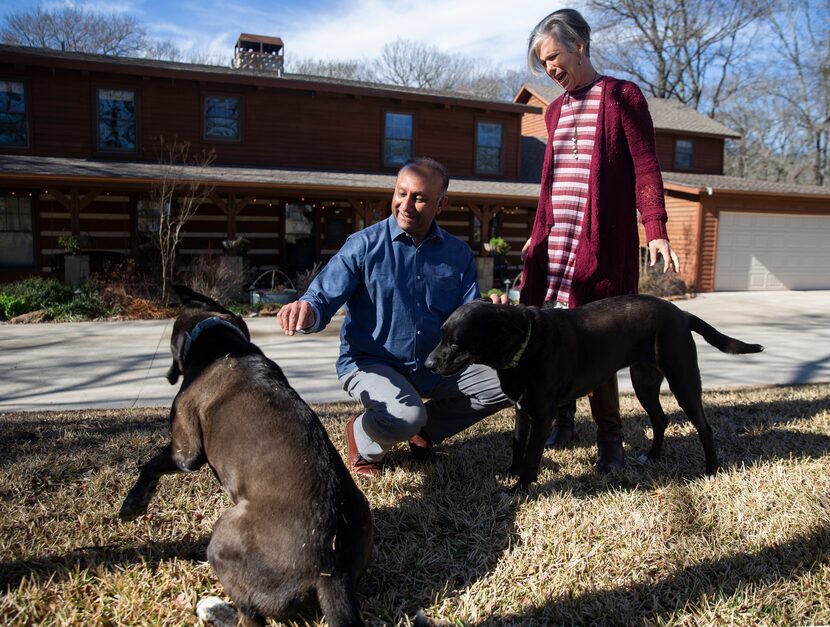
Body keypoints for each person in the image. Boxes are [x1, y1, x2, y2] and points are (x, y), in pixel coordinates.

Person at [278, 157, 512, 478]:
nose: (406, 205)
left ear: (441, 204)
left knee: (511, 381)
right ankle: (363, 438)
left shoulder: (457, 254)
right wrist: (307, 310)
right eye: (401, 193)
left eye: (420, 198)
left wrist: (493, 315)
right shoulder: (363, 246)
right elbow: (322, 297)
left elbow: (468, 316)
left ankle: (426, 432)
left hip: (434, 363)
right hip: (371, 363)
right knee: (405, 415)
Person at [520, 9, 681, 473]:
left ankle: (610, 439)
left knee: (597, 339)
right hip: (557, 239)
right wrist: (536, 238)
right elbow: (550, 185)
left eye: (553, 57)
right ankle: (564, 420)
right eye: (542, 63)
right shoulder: (554, 111)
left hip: (600, 243)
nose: (550, 69)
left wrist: (656, 229)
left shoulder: (621, 96)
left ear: (579, 46)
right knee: (553, 335)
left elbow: (646, 166)